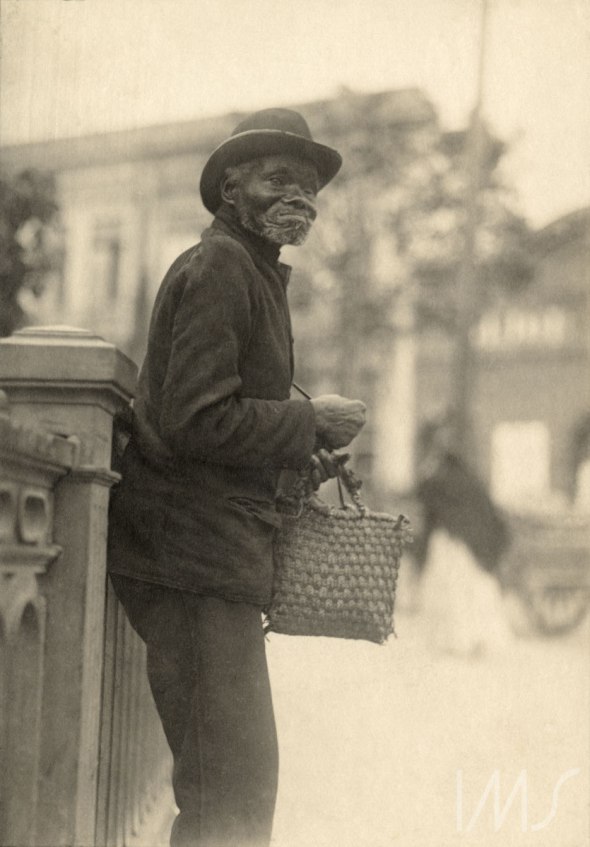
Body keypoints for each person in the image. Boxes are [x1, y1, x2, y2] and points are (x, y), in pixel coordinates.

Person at [107, 108, 366, 847]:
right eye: (278, 179)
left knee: (231, 791)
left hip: (203, 558)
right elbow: (194, 420)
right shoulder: (221, 267)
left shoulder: (248, 271)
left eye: (309, 186)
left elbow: (218, 419)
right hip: (190, 559)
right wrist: (308, 424)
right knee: (232, 795)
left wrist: (296, 451)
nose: (300, 197)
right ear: (230, 188)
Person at [414, 416, 513, 656]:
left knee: (457, 589)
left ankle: (461, 639)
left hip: (453, 541)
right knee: (469, 589)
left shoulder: (441, 475)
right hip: (463, 541)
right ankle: (468, 639)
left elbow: (427, 499)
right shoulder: (464, 475)